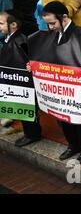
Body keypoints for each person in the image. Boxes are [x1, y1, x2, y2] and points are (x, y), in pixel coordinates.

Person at [33, 1, 81, 163]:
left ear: (63, 18)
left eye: (53, 23)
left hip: (80, 85)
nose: (50, 27)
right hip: (61, 87)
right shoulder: (52, 35)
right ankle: (73, 144)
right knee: (64, 117)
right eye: (48, 24)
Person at [0, 10, 42, 145]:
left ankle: (32, 134)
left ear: (13, 25)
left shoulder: (20, 41)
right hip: (17, 83)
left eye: (1, 23)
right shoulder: (13, 39)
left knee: (28, 112)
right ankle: (30, 133)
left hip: (23, 84)